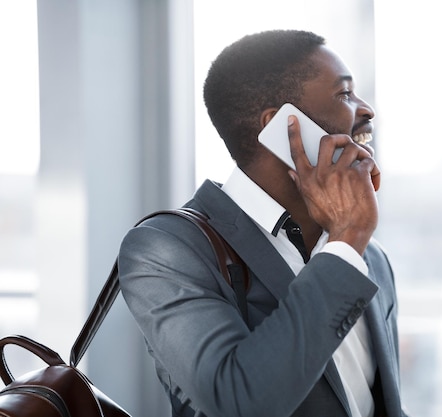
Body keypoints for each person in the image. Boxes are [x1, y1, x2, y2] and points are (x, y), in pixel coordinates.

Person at [118, 29, 408, 417]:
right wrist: (346, 240)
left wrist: (348, 242)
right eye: (344, 94)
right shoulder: (167, 249)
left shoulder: (368, 257)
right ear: (282, 128)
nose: (366, 110)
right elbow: (239, 403)